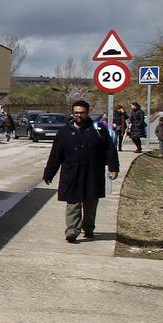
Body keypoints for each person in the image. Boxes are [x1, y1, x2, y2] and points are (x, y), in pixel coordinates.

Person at [43, 99, 120, 243]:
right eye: (76, 113)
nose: (78, 115)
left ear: (87, 113)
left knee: (91, 202)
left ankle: (88, 228)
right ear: (72, 113)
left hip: (92, 173)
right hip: (72, 173)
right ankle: (72, 231)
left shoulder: (98, 130)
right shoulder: (64, 132)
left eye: (82, 113)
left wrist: (113, 167)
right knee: (73, 203)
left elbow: (110, 150)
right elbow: (55, 155)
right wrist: (49, 173)